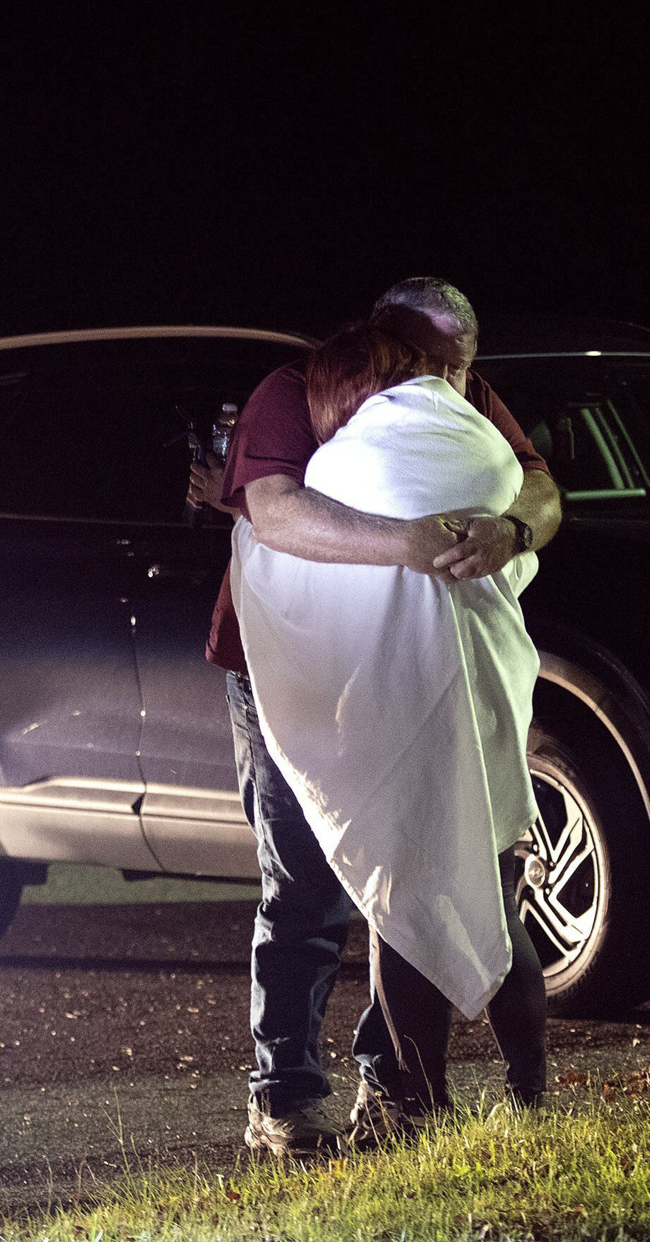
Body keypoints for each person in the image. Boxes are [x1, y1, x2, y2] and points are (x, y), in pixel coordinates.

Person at [193, 278, 563, 1156]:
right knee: (308, 885)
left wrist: (512, 532)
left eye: (466, 371)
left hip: (410, 666)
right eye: (437, 365)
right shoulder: (295, 395)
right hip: (298, 672)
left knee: (407, 871)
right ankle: (282, 1097)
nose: (454, 388)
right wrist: (412, 540)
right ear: (387, 342)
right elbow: (276, 514)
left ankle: (395, 1092)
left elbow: (540, 489)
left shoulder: (463, 395)